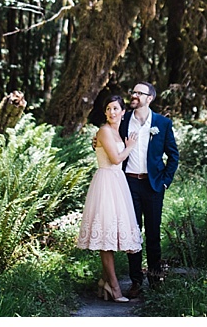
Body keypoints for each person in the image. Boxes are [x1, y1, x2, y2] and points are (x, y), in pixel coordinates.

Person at [75, 93, 142, 302]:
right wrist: (130, 147)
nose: (112, 112)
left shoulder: (117, 132)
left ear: (123, 112)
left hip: (117, 182)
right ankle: (114, 287)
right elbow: (114, 159)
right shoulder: (104, 131)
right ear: (105, 113)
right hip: (106, 182)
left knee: (112, 234)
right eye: (109, 109)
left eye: (116, 108)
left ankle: (105, 280)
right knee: (106, 236)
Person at [119, 81, 179, 298]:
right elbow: (112, 141)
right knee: (133, 234)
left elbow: (173, 156)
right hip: (129, 184)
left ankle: (155, 279)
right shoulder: (124, 119)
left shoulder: (162, 123)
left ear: (149, 98)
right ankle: (136, 281)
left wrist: (164, 181)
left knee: (153, 233)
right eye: (132, 92)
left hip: (154, 186)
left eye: (138, 93)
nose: (134, 95)